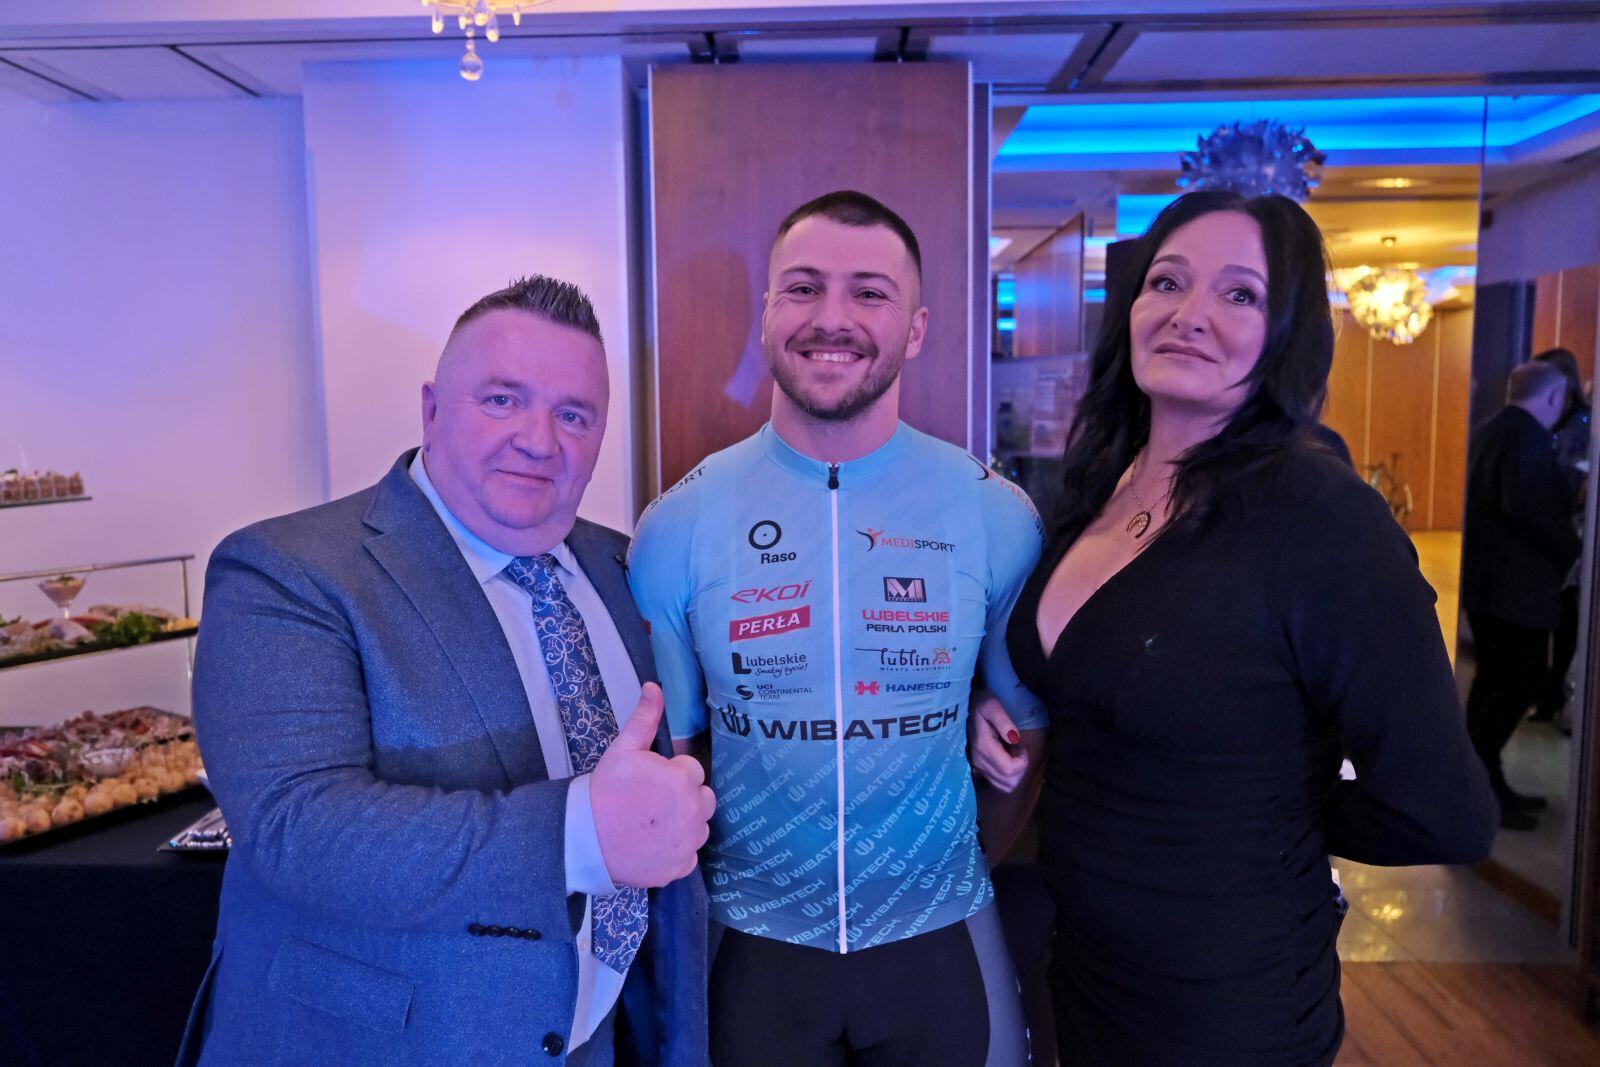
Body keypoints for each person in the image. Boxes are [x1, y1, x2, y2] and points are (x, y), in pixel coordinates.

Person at [971, 190, 1497, 1065]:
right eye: (1167, 282)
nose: (1189, 313)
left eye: (1240, 293)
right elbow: (1102, 678)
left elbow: (1446, 813)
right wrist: (1001, 709)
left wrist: (1275, 809)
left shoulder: (1322, 517)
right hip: (1084, 963)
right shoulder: (1100, 481)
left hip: (1225, 1000)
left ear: (1286, 334)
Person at [179, 277, 712, 1066]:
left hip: (597, 1036)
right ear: (431, 409)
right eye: (502, 400)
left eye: (574, 414)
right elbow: (298, 828)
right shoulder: (287, 570)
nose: (540, 439)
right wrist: (579, 833)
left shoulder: (616, 562)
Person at [627, 190, 1044, 1066]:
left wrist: (949, 859)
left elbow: (1028, 737)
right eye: (804, 287)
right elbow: (680, 760)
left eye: (870, 292)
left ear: (916, 328)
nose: (832, 318)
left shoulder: (994, 513)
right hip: (753, 949)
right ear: (767, 314)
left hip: (940, 939)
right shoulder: (678, 525)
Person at [1461, 359, 1582, 826]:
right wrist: (1574, 547)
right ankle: (1483, 783)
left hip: (1490, 588)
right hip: (1517, 592)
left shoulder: (1492, 429)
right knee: (1519, 682)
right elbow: (1528, 508)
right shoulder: (1526, 436)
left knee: (1494, 682)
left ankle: (1478, 780)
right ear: (1553, 397)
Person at [1529, 347, 1588, 725]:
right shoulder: (1556, 424)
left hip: (1573, 541)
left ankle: (1554, 695)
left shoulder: (1581, 424)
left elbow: (1572, 485)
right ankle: (1548, 694)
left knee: (1566, 621)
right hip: (1554, 536)